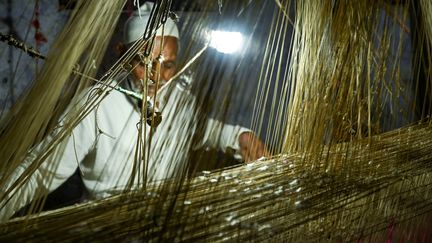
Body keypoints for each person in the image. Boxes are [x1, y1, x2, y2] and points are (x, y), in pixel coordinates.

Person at [0, 2, 268, 221]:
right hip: (107, 225)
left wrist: (239, 137)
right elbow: (43, 170)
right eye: (143, 62)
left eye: (168, 65)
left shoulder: (178, 97)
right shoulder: (97, 104)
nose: (157, 77)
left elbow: (200, 129)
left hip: (163, 223)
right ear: (121, 54)